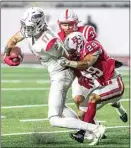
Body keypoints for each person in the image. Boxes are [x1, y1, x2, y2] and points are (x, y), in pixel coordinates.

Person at [3, 7, 105, 146]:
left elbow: (66, 60)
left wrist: (80, 75)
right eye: (25, 26)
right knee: (61, 107)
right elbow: (13, 40)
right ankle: (86, 130)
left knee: (54, 118)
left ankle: (96, 128)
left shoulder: (50, 42)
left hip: (61, 75)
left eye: (30, 26)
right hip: (56, 73)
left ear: (39, 25)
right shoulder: (30, 29)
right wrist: (6, 54)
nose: (26, 30)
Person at [57, 9, 127, 124]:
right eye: (65, 24)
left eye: (70, 24)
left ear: (76, 23)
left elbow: (89, 56)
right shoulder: (59, 38)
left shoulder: (86, 31)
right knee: (79, 101)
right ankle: (94, 127)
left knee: (98, 98)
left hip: (92, 69)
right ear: (59, 25)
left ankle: (116, 104)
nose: (68, 28)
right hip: (80, 71)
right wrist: (79, 76)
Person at [58, 32, 127, 143]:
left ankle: (82, 132)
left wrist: (68, 62)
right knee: (81, 113)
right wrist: (80, 77)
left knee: (93, 98)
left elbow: (86, 63)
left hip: (114, 83)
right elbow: (75, 69)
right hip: (103, 87)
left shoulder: (91, 45)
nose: (70, 52)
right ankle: (95, 131)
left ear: (79, 45)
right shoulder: (76, 56)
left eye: (71, 49)